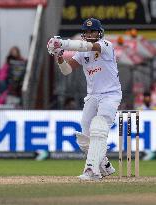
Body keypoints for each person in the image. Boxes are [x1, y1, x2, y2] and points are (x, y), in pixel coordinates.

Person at [47, 18, 122, 180]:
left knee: (99, 129)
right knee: (84, 139)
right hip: (93, 96)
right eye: (86, 32)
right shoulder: (82, 53)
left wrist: (63, 44)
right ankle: (106, 167)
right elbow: (67, 70)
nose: (89, 34)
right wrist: (59, 57)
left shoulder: (106, 46)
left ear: (99, 32)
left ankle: (92, 170)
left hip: (110, 95)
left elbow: (90, 46)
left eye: (92, 31)